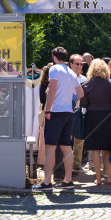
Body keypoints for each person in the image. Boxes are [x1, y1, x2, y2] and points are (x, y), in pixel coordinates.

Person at [34, 47, 84, 191]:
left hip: (55, 112)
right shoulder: (70, 72)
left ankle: (47, 182)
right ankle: (68, 180)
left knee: (50, 148)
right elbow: (80, 93)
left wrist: (48, 109)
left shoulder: (54, 69)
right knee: (66, 147)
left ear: (54, 57)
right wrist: (71, 102)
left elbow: (53, 88)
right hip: (68, 113)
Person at [80, 59, 111, 185]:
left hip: (92, 117)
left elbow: (83, 104)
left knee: (95, 150)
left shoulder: (87, 84)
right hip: (107, 117)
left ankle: (98, 178)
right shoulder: (110, 83)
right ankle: (109, 177)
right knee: (107, 149)